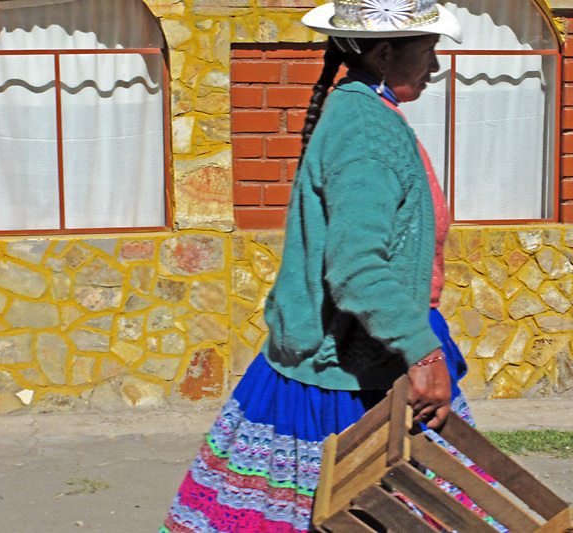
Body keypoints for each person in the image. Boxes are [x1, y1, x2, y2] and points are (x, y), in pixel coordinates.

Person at [161, 2, 503, 532]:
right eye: (428, 51)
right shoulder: (365, 132)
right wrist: (423, 351)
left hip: (372, 358)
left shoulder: (367, 114)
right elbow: (356, 267)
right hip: (346, 378)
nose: (435, 66)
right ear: (384, 53)